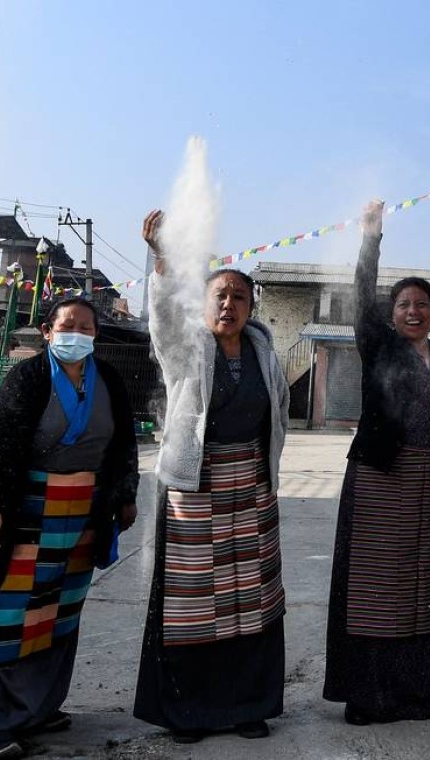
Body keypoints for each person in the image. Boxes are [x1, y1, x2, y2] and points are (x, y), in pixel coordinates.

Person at [134, 210, 290, 743]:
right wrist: (160, 261)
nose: (228, 304)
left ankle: (247, 706)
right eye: (219, 295)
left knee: (252, 600)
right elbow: (160, 323)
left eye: (238, 297)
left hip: (250, 485)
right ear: (204, 304)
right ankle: (190, 712)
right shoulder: (186, 348)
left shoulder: (266, 351)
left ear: (251, 306)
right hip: (194, 488)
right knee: (194, 603)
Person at [0, 298, 139, 760]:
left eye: (85, 327)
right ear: (47, 331)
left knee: (59, 615)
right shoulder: (27, 378)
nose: (76, 333)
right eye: (67, 325)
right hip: (27, 512)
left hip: (82, 517)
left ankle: (39, 708)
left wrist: (125, 494)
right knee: (7, 616)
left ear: (96, 335)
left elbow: (122, 444)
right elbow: (6, 448)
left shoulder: (110, 381)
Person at [323, 201, 430, 724]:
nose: (413, 311)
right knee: (375, 589)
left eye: (422, 304)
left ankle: (420, 694)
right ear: (391, 315)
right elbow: (362, 295)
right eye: (404, 304)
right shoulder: (379, 346)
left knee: (424, 591)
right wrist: (371, 237)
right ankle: (369, 696)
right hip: (379, 481)